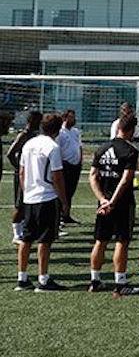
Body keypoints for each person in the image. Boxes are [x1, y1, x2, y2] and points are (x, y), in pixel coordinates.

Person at [14, 114, 69, 292]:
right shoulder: (52, 147)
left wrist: (27, 191)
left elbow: (21, 172)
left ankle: (22, 278)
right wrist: (64, 200)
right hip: (47, 197)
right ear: (57, 130)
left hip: (30, 197)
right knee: (45, 240)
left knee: (26, 238)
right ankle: (43, 279)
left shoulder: (29, 144)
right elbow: (57, 176)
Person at [88, 115, 139, 296]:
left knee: (100, 241)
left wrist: (102, 199)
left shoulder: (102, 149)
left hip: (103, 204)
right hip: (122, 203)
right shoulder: (130, 151)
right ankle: (120, 283)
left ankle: (95, 281)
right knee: (121, 241)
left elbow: (93, 176)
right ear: (131, 130)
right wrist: (113, 201)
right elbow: (125, 180)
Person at [7, 111, 42, 244]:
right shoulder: (24, 135)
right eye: (38, 120)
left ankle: (25, 230)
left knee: (29, 202)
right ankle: (16, 234)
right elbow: (10, 154)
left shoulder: (36, 135)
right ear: (32, 121)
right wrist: (19, 168)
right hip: (22, 174)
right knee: (20, 203)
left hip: (32, 174)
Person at [56, 109, 82, 226]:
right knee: (63, 191)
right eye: (71, 117)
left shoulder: (76, 131)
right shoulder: (60, 132)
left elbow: (79, 146)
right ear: (64, 118)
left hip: (75, 165)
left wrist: (80, 161)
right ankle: (59, 216)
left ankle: (66, 215)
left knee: (70, 191)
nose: (73, 119)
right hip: (65, 165)